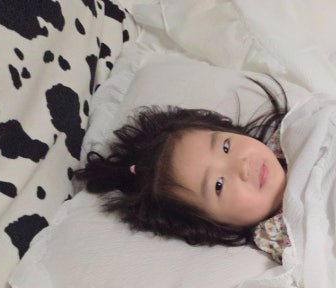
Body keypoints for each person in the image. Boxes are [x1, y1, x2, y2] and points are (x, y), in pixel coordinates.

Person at [74, 77, 292, 262]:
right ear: (220, 226)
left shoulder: (292, 134)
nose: (242, 166)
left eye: (226, 146)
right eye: (218, 185)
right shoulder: (275, 236)